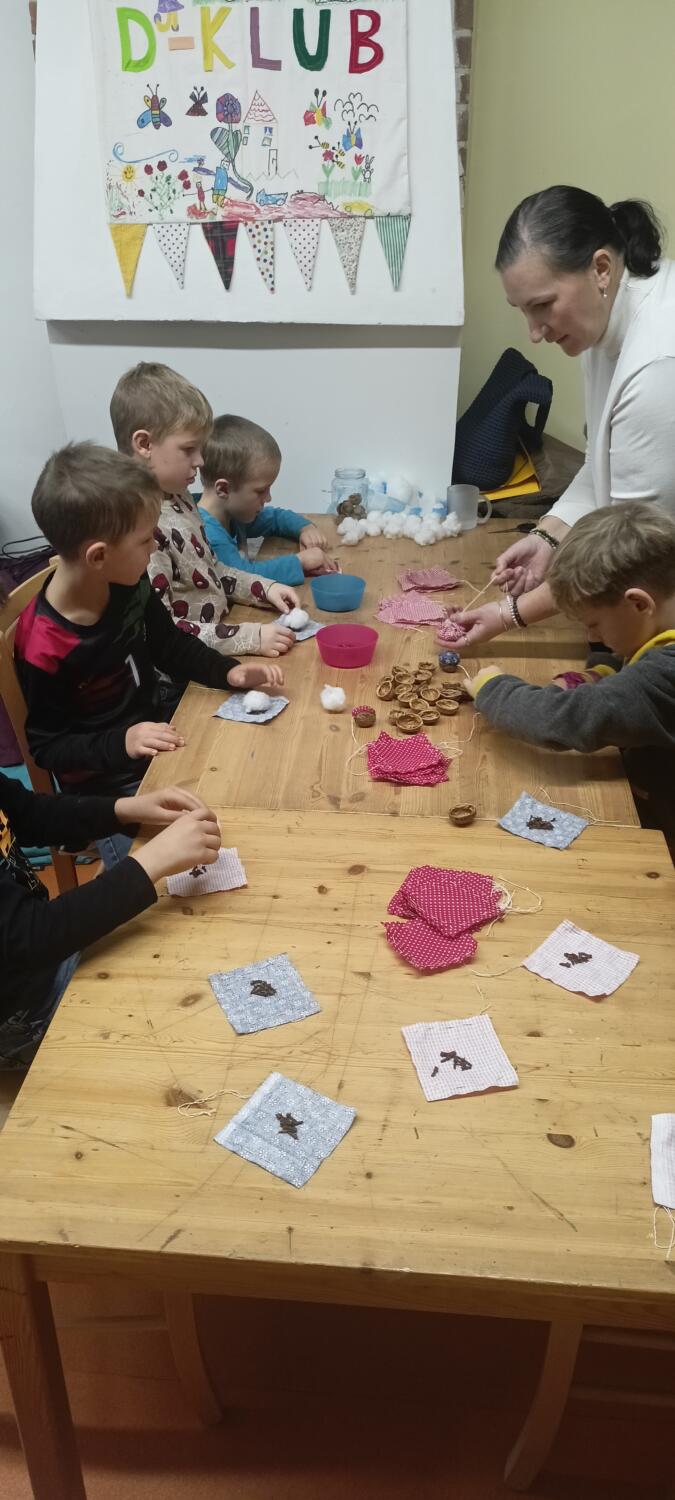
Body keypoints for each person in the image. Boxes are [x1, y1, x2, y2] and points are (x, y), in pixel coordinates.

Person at [452, 186, 675, 646]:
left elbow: (629, 548)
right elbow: (601, 464)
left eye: (542, 305)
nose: (534, 333)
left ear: (601, 268)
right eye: (523, 311)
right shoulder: (605, 318)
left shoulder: (657, 362)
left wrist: (509, 614)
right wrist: (547, 537)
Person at [15, 443, 283, 808]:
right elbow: (49, 747)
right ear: (99, 556)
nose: (153, 549)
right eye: (145, 540)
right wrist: (123, 742)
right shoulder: (44, 645)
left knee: (258, 766)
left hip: (161, 736)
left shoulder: (126, 579)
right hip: (109, 790)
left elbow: (169, 645)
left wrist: (227, 672)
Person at [466, 504, 675, 838]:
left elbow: (565, 720)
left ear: (638, 603)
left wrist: (494, 688)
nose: (592, 637)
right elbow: (641, 660)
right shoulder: (661, 622)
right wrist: (604, 670)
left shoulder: (667, 673)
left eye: (594, 624)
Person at [0, 767, 220, 1068]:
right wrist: (151, 861)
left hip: (35, 948)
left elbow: (29, 812)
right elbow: (29, 936)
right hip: (19, 1005)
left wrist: (124, 810)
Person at [110, 362, 299, 658]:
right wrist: (248, 638)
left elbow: (212, 570)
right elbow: (164, 633)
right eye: (189, 449)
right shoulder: (139, 528)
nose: (200, 461)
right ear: (144, 444)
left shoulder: (180, 497)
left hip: (215, 644)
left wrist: (263, 588)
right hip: (184, 674)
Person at [198, 414, 338, 586]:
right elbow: (240, 577)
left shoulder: (232, 513)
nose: (268, 498)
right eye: (261, 491)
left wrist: (305, 528)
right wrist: (299, 561)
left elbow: (275, 518)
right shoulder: (207, 534)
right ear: (223, 489)